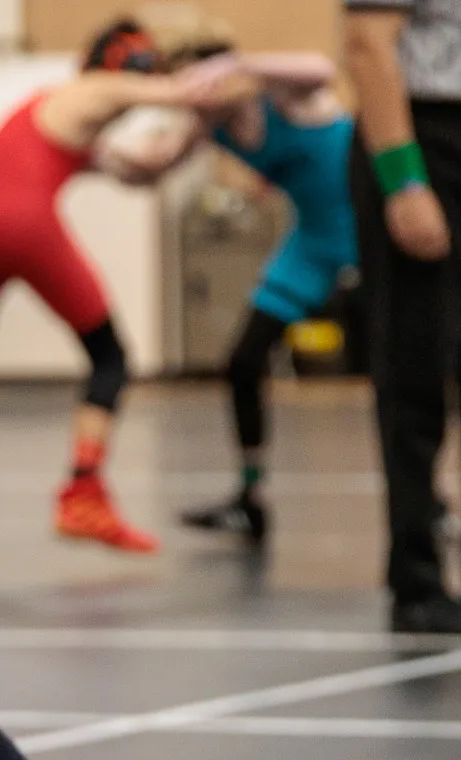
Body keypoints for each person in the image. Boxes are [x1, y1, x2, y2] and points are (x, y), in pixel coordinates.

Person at [0, 19, 230, 578]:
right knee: (111, 356)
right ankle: (83, 491)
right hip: (24, 228)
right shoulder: (91, 90)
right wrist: (231, 78)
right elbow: (176, 94)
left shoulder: (68, 113)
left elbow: (142, 168)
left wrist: (194, 136)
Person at [342, 0, 461, 634]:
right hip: (426, 140)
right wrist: (402, 181)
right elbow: (369, 44)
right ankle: (418, 579)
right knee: (416, 370)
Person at [177, 52, 356, 548]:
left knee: (403, 371)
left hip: (371, 229)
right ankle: (250, 498)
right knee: (243, 362)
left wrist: (240, 64)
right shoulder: (210, 127)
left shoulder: (288, 99)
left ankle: (432, 504)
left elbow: (323, 68)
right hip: (312, 245)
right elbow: (151, 163)